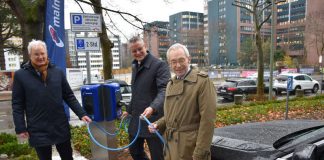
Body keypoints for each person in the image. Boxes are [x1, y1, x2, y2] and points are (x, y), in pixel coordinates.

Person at [12, 40, 92, 160]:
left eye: (42, 53)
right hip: (38, 128)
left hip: (59, 125)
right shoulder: (20, 75)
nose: (40, 57)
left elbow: (69, 96)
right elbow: (17, 104)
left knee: (67, 157)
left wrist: (81, 114)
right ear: (30, 55)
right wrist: (20, 127)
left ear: (46, 53)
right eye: (36, 54)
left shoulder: (57, 72)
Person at [149, 43, 217, 160]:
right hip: (171, 148)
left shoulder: (203, 82)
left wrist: (200, 153)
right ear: (169, 63)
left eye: (181, 60)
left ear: (189, 59)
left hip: (190, 148)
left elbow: (208, 120)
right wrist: (158, 124)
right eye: (173, 62)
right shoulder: (170, 83)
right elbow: (172, 115)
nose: (178, 65)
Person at [123, 36, 170, 160]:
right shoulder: (135, 65)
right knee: (134, 151)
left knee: (158, 156)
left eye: (140, 49)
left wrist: (153, 107)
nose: (138, 53)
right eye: (134, 51)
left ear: (145, 47)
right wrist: (128, 109)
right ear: (131, 52)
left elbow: (164, 91)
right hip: (137, 118)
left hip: (154, 119)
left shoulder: (160, 65)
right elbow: (136, 93)